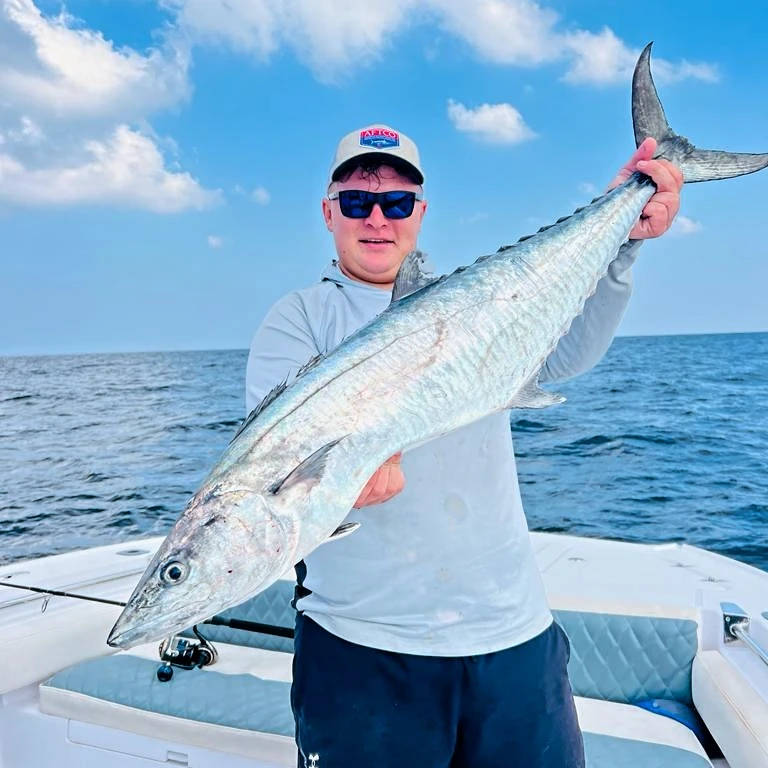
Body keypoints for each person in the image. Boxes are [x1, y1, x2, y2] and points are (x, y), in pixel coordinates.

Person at [245, 123, 683, 767]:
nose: (376, 218)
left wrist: (622, 244)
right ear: (328, 211)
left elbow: (566, 354)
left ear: (419, 214)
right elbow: (283, 469)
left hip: (512, 637)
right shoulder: (298, 319)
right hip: (362, 649)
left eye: (395, 202)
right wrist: (345, 483)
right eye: (357, 200)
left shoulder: (478, 302)